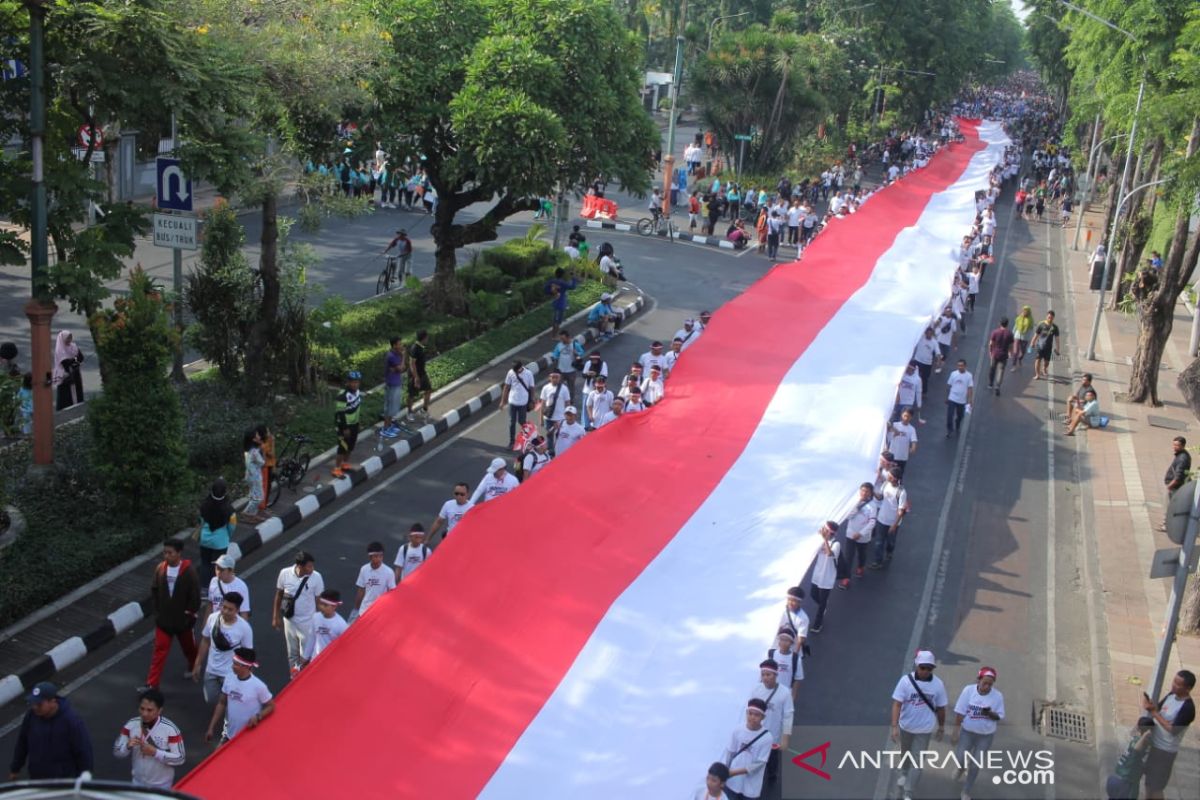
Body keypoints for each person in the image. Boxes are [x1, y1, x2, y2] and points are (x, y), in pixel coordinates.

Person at [142, 539, 201, 691]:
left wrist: (190, 614)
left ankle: (194, 665)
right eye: (165, 552)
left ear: (179, 553)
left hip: (183, 621)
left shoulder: (189, 572)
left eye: (170, 553)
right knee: (159, 652)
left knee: (189, 648)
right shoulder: (160, 569)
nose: (167, 556)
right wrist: (158, 612)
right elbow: (154, 590)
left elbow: (195, 596)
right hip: (164, 622)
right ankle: (152, 683)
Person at [890, 650, 947, 800]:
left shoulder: (938, 685)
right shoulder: (905, 681)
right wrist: (894, 726)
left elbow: (941, 708)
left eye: (929, 668)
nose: (926, 671)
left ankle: (908, 791)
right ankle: (903, 772)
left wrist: (941, 727)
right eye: (923, 667)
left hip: (924, 729)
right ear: (917, 665)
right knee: (905, 752)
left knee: (918, 761)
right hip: (906, 726)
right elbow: (897, 704)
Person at [8, 682, 93, 781]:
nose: (35, 707)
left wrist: (85, 777)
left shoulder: (71, 721)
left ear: (52, 701)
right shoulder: (31, 716)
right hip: (37, 779)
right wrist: (15, 768)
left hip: (64, 782)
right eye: (33, 703)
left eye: (39, 704)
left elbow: (83, 750)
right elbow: (22, 743)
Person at [112, 688, 185, 789]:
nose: (144, 713)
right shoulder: (131, 725)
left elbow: (180, 758)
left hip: (162, 786)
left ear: (159, 710)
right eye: (142, 708)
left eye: (149, 710)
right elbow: (117, 752)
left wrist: (155, 753)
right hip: (137, 783)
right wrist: (127, 746)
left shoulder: (171, 729)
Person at [951, 666, 1005, 799]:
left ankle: (966, 791)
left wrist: (990, 713)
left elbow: (999, 716)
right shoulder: (968, 691)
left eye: (990, 684)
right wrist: (955, 732)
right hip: (967, 732)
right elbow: (960, 712)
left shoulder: (997, 696)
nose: (987, 686)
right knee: (960, 757)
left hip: (985, 736)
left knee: (975, 766)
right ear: (978, 680)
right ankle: (961, 768)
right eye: (984, 683)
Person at [1141, 669, 1196, 800]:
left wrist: (1154, 713)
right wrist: (1151, 708)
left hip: (1165, 752)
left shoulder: (1188, 708)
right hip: (1154, 746)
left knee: (1156, 788)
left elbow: (1173, 729)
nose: (1173, 685)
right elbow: (1158, 710)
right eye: (1174, 681)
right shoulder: (1171, 695)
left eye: (1178, 684)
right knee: (1149, 784)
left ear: (1188, 688)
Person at [192, 592, 253, 705]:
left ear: (237, 610)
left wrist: (248, 679)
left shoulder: (244, 628)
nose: (225, 611)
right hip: (211, 670)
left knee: (230, 702)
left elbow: (248, 654)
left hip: (231, 673)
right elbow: (205, 641)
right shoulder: (212, 618)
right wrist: (198, 663)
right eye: (224, 607)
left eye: (230, 609)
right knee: (210, 699)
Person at [272, 551, 325, 678]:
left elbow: (319, 600)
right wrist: (275, 617)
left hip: (308, 622)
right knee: (292, 654)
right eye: (309, 566)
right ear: (299, 566)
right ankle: (294, 679)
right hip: (289, 621)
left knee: (306, 655)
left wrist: (321, 620)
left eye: (312, 566)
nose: (312, 569)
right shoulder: (284, 573)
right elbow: (279, 595)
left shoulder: (316, 577)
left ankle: (305, 680)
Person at [205, 647, 274, 744]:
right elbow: (221, 703)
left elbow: (271, 706)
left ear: (245, 667)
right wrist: (211, 728)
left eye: (235, 664)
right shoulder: (229, 678)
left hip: (249, 738)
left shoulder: (259, 686)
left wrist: (258, 716)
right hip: (229, 736)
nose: (232, 666)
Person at [750, 659, 794, 788]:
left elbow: (788, 715)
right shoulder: (756, 690)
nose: (765, 678)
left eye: (768, 674)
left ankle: (772, 775)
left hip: (774, 736)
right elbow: (750, 712)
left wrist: (785, 738)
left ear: (776, 675)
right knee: (756, 759)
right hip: (757, 734)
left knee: (772, 759)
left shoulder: (785, 693)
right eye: (763, 674)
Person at [721, 698, 773, 800]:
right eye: (750, 713)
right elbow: (730, 752)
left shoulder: (767, 738)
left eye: (756, 715)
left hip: (751, 783)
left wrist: (734, 772)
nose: (752, 717)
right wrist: (726, 771)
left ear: (763, 717)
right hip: (733, 781)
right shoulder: (737, 730)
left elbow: (759, 763)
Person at [197, 478, 236, 588]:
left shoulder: (204, 505)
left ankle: (203, 589)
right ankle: (215, 588)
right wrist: (227, 536)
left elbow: (200, 520)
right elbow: (232, 527)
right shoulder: (229, 510)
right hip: (220, 543)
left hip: (204, 540)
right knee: (217, 566)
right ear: (225, 492)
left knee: (205, 564)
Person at [871, 468, 909, 568]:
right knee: (879, 542)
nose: (888, 477)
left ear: (896, 479)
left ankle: (889, 551)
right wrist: (873, 492)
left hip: (893, 522)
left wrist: (894, 525)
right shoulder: (885, 484)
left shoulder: (901, 492)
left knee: (890, 541)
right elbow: (880, 497)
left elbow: (901, 511)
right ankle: (877, 561)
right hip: (881, 519)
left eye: (891, 477)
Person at [299, 590, 348, 667]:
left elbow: (344, 648)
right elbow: (312, 637)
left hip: (331, 663)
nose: (321, 607)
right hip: (315, 660)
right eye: (320, 604)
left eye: (325, 605)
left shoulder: (342, 625)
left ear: (334, 606)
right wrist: (305, 656)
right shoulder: (315, 617)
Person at [840, 482, 877, 584]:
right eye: (863, 490)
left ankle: (861, 566)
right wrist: (857, 505)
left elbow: (872, 522)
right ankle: (846, 578)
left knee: (862, 554)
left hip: (863, 536)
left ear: (870, 493)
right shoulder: (854, 502)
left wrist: (861, 533)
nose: (864, 493)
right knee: (848, 556)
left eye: (867, 491)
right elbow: (848, 517)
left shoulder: (872, 506)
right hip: (851, 534)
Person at [352, 542, 396, 619]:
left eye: (381, 556)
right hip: (364, 610)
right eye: (376, 556)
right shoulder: (364, 569)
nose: (379, 559)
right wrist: (355, 610)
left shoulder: (389, 572)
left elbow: (392, 592)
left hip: (381, 611)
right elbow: (361, 590)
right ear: (370, 557)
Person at [809, 521, 840, 633]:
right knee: (813, 594)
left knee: (821, 604)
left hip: (827, 578)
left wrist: (825, 540)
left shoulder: (836, 544)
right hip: (817, 575)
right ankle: (823, 606)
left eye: (826, 531)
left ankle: (817, 624)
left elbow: (829, 553)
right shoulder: (820, 540)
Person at [332, 371, 363, 479]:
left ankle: (345, 463)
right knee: (342, 447)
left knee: (350, 446)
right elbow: (339, 413)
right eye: (353, 382)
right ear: (348, 382)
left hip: (354, 424)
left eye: (357, 382)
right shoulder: (342, 396)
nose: (355, 384)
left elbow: (357, 409)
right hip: (344, 426)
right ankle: (336, 469)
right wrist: (345, 428)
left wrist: (358, 422)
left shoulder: (357, 393)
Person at [205, 554, 250, 625]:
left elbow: (244, 612)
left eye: (222, 569)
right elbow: (210, 605)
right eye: (217, 568)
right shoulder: (213, 581)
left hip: (231, 627)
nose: (218, 572)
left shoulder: (241, 586)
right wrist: (205, 627)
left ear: (231, 570)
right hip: (216, 626)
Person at [500, 359, 536, 449]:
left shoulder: (528, 374)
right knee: (511, 422)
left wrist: (532, 400)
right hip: (512, 401)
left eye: (518, 370)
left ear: (521, 367)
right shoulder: (511, 373)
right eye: (515, 370)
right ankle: (512, 442)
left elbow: (532, 388)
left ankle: (528, 440)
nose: (517, 372)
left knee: (522, 422)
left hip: (523, 402)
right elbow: (506, 387)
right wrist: (502, 401)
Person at [1161, 437, 1191, 532]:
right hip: (1174, 485)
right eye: (1174, 444)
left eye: (1177, 445)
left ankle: (1167, 525)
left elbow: (1179, 476)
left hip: (1174, 487)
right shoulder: (1183, 455)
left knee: (1169, 506)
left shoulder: (1182, 459)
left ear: (1182, 446)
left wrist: (1170, 486)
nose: (1174, 447)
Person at [52, 330, 84, 411]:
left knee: (77, 389)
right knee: (65, 392)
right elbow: (65, 362)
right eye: (67, 338)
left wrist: (75, 361)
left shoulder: (73, 346)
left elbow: (81, 357)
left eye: (70, 337)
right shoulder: (60, 349)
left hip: (75, 373)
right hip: (64, 374)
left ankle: (77, 404)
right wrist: (75, 360)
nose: (69, 340)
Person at [382, 337, 407, 437]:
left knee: (394, 407)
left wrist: (401, 363)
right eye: (399, 344)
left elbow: (403, 367)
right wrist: (404, 357)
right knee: (390, 408)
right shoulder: (391, 356)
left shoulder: (397, 355)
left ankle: (390, 425)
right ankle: (386, 428)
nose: (401, 346)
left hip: (396, 383)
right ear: (394, 345)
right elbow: (401, 368)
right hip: (392, 385)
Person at [241, 428, 267, 522]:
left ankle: (252, 515)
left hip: (249, 476)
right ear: (253, 439)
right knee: (259, 497)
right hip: (255, 477)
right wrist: (263, 451)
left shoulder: (248, 450)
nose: (259, 436)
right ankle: (247, 512)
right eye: (257, 435)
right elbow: (263, 463)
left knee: (253, 495)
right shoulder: (255, 452)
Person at [544, 268, 578, 337]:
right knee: (558, 321)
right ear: (562, 275)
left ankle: (555, 334)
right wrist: (573, 277)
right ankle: (554, 336)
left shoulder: (551, 282)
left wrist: (552, 293)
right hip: (561, 303)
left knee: (555, 320)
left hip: (555, 302)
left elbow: (545, 289)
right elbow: (572, 287)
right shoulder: (562, 283)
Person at [946, 359, 974, 438]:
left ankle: (957, 423)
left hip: (962, 400)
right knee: (949, 415)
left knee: (960, 416)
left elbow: (970, 388)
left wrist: (970, 400)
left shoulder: (969, 376)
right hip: (952, 398)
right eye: (958, 365)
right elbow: (949, 385)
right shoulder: (953, 374)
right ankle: (949, 429)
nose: (960, 367)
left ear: (965, 366)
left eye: (961, 366)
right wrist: (947, 397)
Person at [887, 408, 919, 478]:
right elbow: (888, 436)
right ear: (901, 415)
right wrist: (895, 433)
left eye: (908, 416)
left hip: (902, 457)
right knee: (889, 475)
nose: (906, 418)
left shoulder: (912, 429)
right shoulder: (895, 425)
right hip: (892, 455)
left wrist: (913, 448)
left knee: (899, 476)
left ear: (911, 417)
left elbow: (914, 440)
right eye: (905, 415)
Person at [987, 317, 1015, 395]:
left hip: (995, 354)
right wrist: (1010, 353)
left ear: (1000, 323)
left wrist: (990, 352)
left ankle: (990, 384)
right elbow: (1011, 346)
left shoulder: (995, 332)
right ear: (1007, 324)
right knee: (1001, 371)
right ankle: (997, 386)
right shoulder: (1010, 334)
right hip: (1004, 355)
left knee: (992, 369)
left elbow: (991, 344)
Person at [1032, 310, 1061, 381]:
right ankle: (1037, 374)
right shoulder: (1041, 324)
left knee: (1046, 362)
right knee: (1037, 360)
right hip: (1040, 346)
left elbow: (1057, 339)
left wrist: (1058, 348)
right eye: (1049, 317)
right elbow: (1036, 335)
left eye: (1051, 317)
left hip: (1048, 348)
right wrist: (1032, 342)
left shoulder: (1055, 327)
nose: (1050, 319)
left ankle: (1044, 368)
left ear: (1053, 318)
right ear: (1046, 316)